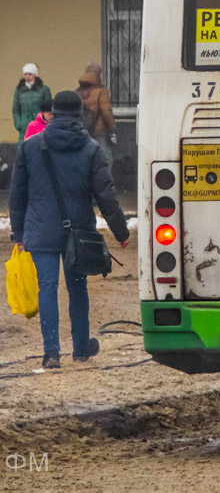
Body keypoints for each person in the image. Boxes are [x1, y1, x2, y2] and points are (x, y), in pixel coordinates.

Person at [9, 91, 131, 370]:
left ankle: (51, 352)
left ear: (52, 113)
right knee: (78, 288)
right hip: (79, 230)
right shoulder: (91, 149)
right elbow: (106, 195)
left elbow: (17, 194)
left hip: (40, 229)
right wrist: (121, 232)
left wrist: (18, 232)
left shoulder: (30, 147)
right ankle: (80, 347)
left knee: (47, 288)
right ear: (79, 115)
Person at [75, 63, 117, 162]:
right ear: (98, 74)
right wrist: (112, 130)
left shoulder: (77, 91)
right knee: (105, 158)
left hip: (83, 130)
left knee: (86, 158)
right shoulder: (101, 91)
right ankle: (105, 177)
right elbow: (106, 111)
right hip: (98, 130)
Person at [12, 63, 51, 146]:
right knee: (23, 149)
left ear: (35, 75)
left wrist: (46, 122)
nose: (27, 76)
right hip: (24, 126)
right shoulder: (19, 90)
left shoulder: (44, 89)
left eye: (30, 74)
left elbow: (49, 108)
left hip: (40, 125)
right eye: (25, 74)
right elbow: (16, 109)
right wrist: (18, 123)